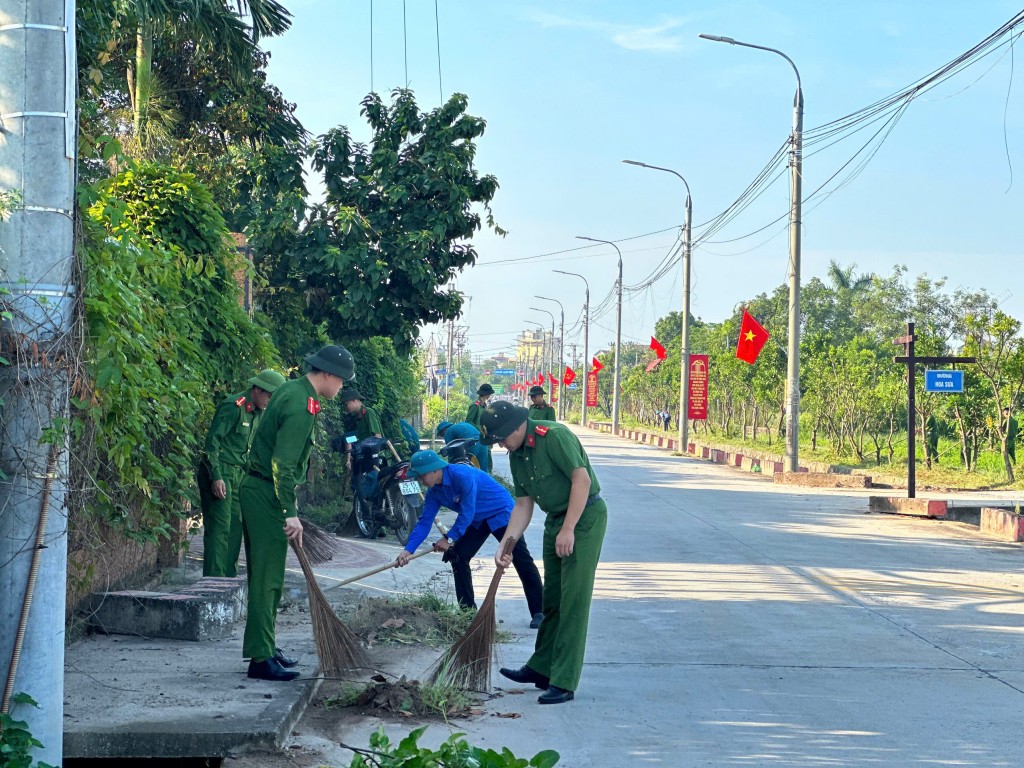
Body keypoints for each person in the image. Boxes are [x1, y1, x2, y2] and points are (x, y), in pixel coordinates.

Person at [238, 344, 355, 681]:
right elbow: (282, 464)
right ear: (329, 375)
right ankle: (260, 659)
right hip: (266, 495)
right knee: (267, 577)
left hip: (263, 490)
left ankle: (266, 646)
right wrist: (289, 511)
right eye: (342, 381)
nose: (342, 387)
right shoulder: (301, 404)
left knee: (268, 575)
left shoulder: (294, 390)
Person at [481, 401, 607, 705]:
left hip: (583, 518)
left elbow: (582, 480)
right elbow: (524, 504)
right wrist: (505, 543)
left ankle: (563, 682)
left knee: (573, 601)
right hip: (556, 520)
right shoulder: (517, 455)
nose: (499, 444)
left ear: (516, 427)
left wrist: (569, 529)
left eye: (501, 437)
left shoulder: (554, 436)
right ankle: (541, 668)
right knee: (552, 600)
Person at [396, 450, 544, 628]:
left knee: (522, 559)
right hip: (478, 520)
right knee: (457, 556)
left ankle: (539, 611)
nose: (420, 481)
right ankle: (468, 613)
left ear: (433, 470)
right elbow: (424, 523)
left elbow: (467, 512)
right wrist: (408, 551)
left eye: (420, 476)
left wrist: (449, 538)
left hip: (501, 511)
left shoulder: (462, 475)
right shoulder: (434, 492)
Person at [198, 369, 286, 578]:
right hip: (221, 472)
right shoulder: (233, 406)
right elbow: (212, 445)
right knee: (220, 529)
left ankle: (228, 580)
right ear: (257, 389)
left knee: (235, 530)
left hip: (240, 475)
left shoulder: (259, 413)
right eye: (270, 395)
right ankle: (213, 582)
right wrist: (216, 476)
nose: (271, 401)